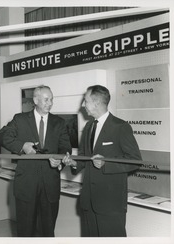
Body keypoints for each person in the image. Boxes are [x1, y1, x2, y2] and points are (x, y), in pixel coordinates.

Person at [50, 85, 142, 237]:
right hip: (88, 201)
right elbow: (85, 157)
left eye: (85, 101)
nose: (82, 105)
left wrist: (106, 163)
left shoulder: (120, 127)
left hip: (110, 202)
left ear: (97, 103)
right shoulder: (89, 126)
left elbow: (135, 160)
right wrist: (73, 162)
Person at [0, 85, 72, 237]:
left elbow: (65, 147)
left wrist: (60, 161)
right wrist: (22, 146)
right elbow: (1, 136)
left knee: (48, 231)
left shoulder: (59, 123)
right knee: (25, 231)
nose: (49, 103)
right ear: (35, 100)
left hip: (50, 185)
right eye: (46, 99)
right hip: (26, 184)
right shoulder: (20, 119)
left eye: (51, 99)